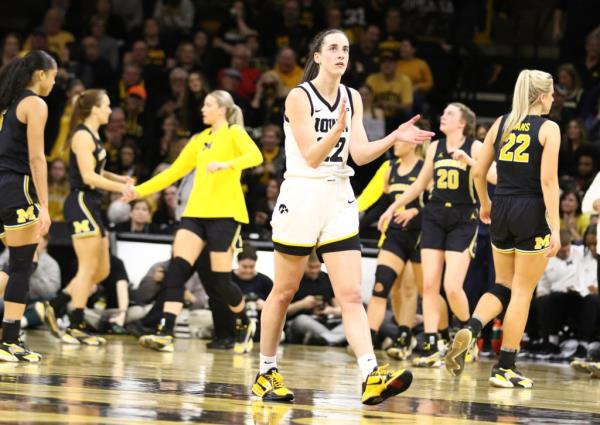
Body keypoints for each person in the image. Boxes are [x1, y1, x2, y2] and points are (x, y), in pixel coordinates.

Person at [252, 29, 434, 405]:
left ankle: (370, 373)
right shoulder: (299, 97)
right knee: (284, 292)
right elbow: (312, 155)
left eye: (346, 49)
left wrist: (394, 137)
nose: (341, 54)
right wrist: (335, 128)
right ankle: (266, 371)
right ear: (317, 56)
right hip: (302, 191)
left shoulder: (352, 96)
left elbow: (360, 153)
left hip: (338, 194)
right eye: (333, 48)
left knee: (351, 294)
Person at [444, 69, 561, 388]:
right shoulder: (549, 128)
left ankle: (472, 327)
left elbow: (479, 172)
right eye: (551, 94)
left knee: (502, 285)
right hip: (531, 209)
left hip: (503, 208)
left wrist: (484, 204)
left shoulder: (501, 123)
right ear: (540, 96)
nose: (553, 99)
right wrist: (556, 227)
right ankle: (505, 366)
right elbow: (549, 181)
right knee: (522, 291)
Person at [124, 90, 263, 354]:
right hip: (195, 213)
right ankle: (165, 332)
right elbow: (174, 171)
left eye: (208, 105)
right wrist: (138, 191)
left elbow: (255, 157)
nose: (203, 109)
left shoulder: (234, 133)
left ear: (222, 109)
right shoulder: (199, 139)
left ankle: (244, 323)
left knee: (222, 282)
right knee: (176, 271)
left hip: (226, 214)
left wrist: (226, 164)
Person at [379, 102, 492, 368]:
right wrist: (393, 207)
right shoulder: (435, 147)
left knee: (452, 287)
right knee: (428, 285)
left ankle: (466, 333)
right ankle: (431, 343)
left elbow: (494, 175)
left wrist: (472, 163)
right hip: (434, 216)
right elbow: (420, 184)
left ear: (463, 122)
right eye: (444, 113)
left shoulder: (475, 147)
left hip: (464, 218)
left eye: (449, 113)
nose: (443, 116)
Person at [40, 89, 133, 345]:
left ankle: (54, 305)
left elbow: (98, 170)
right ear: (94, 108)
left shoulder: (93, 135)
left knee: (101, 271)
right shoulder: (81, 135)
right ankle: (76, 325)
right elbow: (89, 177)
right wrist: (121, 189)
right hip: (81, 202)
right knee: (87, 268)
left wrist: (119, 178)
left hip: (93, 204)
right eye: (107, 105)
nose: (110, 110)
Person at [0, 50, 57, 362]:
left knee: (17, 263)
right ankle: (10, 340)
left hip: (0, 185)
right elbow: (37, 157)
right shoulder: (35, 103)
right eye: (53, 77)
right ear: (40, 74)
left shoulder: (7, 103)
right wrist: (45, 205)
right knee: (23, 263)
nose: (53, 83)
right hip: (16, 186)